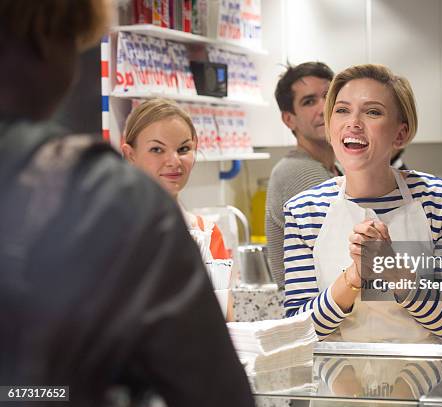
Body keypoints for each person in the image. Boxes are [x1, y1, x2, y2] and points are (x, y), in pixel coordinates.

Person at [0, 2, 254, 406]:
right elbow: (214, 391)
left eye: (184, 149)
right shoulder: (111, 198)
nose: (174, 161)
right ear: (49, 41)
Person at [283, 64, 442, 344]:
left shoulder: (441, 202)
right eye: (342, 110)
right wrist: (354, 277)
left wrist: (394, 271)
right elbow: (298, 331)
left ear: (400, 134)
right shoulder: (304, 211)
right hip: (336, 380)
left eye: (372, 112)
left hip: (424, 379)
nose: (353, 122)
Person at [121, 98, 230, 261]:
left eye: (183, 149)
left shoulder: (208, 234)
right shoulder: (112, 233)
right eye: (157, 149)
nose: (174, 161)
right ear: (130, 155)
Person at [265, 62, 341, 288]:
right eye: (309, 101)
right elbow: (348, 248)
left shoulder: (336, 168)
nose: (324, 107)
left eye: (329, 96)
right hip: (316, 315)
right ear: (289, 119)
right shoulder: (297, 171)